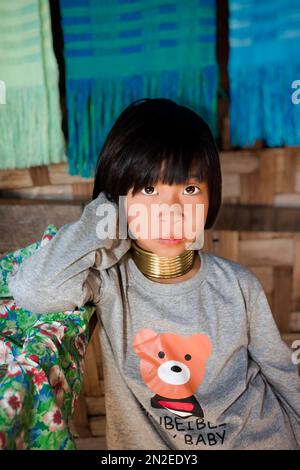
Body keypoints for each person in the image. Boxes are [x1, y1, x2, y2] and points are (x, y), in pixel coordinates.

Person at [8, 98, 300, 450]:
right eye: (149, 189)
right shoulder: (108, 283)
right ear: (117, 197)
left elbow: (282, 373)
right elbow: (32, 289)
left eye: (190, 189)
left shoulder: (240, 286)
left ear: (211, 198)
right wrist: (104, 217)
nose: (171, 211)